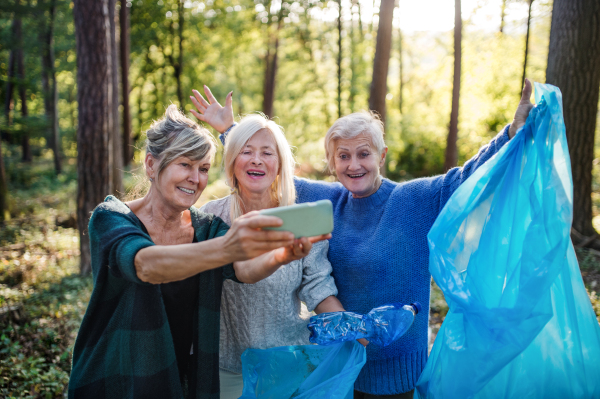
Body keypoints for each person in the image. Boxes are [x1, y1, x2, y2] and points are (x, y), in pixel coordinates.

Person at [191, 81, 534, 398]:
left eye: (363, 153)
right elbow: (263, 167)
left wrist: (511, 133)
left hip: (399, 373)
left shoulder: (412, 201)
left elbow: (464, 178)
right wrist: (230, 131)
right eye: (343, 155)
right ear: (332, 162)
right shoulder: (326, 202)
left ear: (381, 156)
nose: (354, 164)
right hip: (339, 369)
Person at [68, 105, 329, 399]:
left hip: (179, 377)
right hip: (115, 377)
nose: (196, 178)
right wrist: (228, 246)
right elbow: (145, 265)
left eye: (203, 168)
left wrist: (282, 256)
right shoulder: (111, 217)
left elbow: (243, 269)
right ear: (151, 165)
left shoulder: (205, 227)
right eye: (185, 164)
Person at [190, 90, 346, 399]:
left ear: (279, 164)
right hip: (226, 366)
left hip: (286, 363)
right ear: (232, 160)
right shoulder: (210, 219)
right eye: (246, 151)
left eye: (267, 152)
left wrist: (349, 326)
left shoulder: (300, 221)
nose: (257, 160)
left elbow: (319, 289)